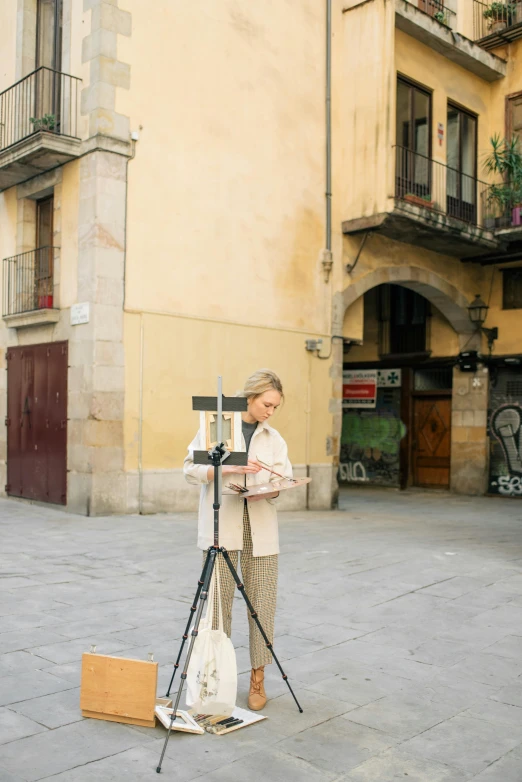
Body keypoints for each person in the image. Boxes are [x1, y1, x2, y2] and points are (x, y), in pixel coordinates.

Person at [183, 369, 291, 710]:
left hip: (260, 528)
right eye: (266, 404)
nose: (269, 412)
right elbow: (190, 468)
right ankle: (216, 678)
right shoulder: (216, 426)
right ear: (249, 397)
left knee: (263, 606)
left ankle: (257, 679)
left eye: (275, 407)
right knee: (217, 607)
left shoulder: (274, 438)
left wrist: (271, 488)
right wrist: (227, 468)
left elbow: (284, 477)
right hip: (221, 526)